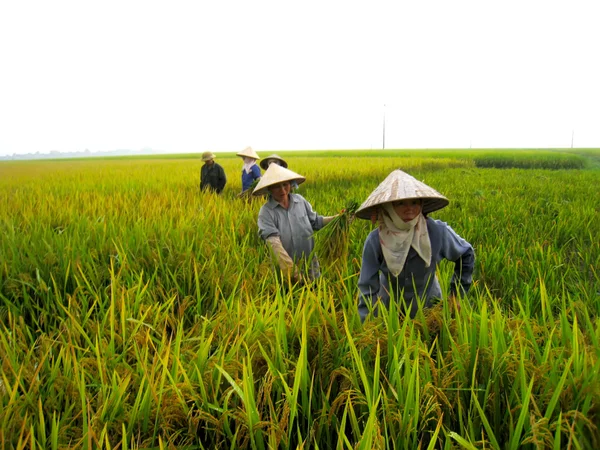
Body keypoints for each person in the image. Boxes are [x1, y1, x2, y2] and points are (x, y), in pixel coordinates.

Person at [356, 169, 475, 321]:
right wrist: (367, 324)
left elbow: (466, 254)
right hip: (390, 312)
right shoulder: (376, 240)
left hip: (431, 311)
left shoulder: (437, 232)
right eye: (400, 203)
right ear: (389, 207)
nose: (410, 208)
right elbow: (367, 286)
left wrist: (456, 295)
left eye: (414, 202)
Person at [254, 164, 338, 285]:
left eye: (285, 184)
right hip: (285, 271)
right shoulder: (266, 212)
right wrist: (293, 272)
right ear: (269, 189)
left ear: (291, 184)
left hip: (310, 265)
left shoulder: (300, 201)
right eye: (276, 187)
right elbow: (274, 244)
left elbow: (316, 222)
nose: (282, 190)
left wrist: (337, 218)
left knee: (315, 295)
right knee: (292, 300)